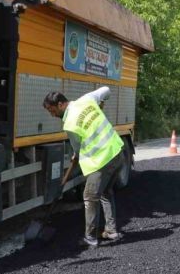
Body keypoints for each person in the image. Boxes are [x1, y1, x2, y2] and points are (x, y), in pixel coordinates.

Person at [43, 86, 125, 246]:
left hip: (102, 160)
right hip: (117, 152)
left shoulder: (69, 124)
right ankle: (111, 231)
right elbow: (107, 90)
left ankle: (90, 238)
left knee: (89, 197)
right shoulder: (87, 99)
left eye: (52, 110)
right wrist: (101, 102)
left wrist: (76, 154)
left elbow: (78, 149)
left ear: (60, 104)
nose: (52, 115)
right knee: (106, 192)